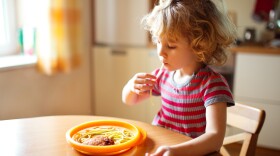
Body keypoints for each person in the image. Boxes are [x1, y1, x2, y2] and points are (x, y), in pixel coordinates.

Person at [122, 0, 237, 155]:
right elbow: (130, 100)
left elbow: (215, 139)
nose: (161, 52)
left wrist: (176, 151)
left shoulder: (212, 85)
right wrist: (131, 86)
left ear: (199, 45)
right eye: (158, 41)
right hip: (163, 146)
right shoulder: (163, 75)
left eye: (171, 46)